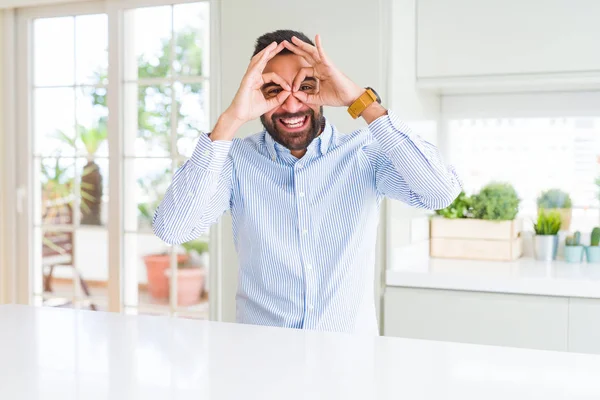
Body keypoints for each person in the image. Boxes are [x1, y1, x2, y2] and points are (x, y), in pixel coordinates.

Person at [153, 30, 461, 335]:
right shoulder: (235, 161)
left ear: (323, 87)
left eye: (306, 86)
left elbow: (439, 192)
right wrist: (231, 119)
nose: (291, 105)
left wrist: (359, 100)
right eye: (273, 90)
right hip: (261, 360)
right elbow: (174, 228)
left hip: (349, 363)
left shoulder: (365, 152)